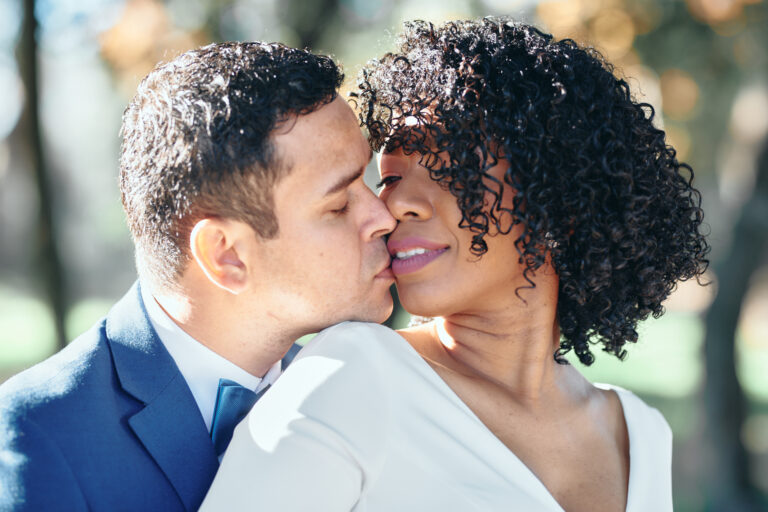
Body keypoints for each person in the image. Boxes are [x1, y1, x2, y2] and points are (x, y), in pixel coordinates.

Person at [201, 18, 710, 512]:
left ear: (559, 193)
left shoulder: (640, 433)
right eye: (393, 178)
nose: (394, 207)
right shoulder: (353, 375)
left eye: (449, 166)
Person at [0, 42, 396, 511]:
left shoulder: (363, 390)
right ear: (226, 254)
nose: (383, 216)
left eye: (369, 182)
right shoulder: (41, 436)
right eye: (339, 204)